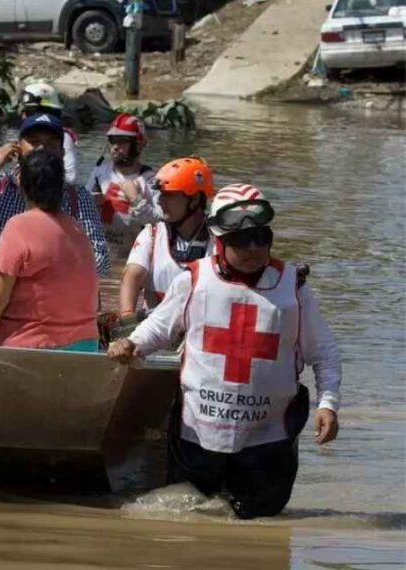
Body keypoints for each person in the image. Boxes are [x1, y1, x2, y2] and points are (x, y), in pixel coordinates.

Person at [107, 184, 341, 519]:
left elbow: (325, 353)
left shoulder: (294, 288)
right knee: (189, 522)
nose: (253, 248)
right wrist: (133, 343)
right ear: (219, 239)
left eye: (261, 237)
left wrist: (328, 404)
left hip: (267, 441)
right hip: (198, 436)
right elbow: (160, 326)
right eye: (241, 240)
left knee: (262, 529)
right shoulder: (194, 280)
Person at [0, 113, 110, 306]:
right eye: (34, 142)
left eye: (50, 144)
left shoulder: (77, 197)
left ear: (62, 153)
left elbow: (100, 261)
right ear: (18, 148)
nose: (41, 149)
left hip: (45, 308)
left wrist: (39, 277)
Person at [0, 150, 99, 351]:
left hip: (33, 349)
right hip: (87, 346)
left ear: (21, 185)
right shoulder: (78, 230)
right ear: (61, 187)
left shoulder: (19, 227)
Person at [119, 157, 216, 317]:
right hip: (153, 334)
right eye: (161, 194)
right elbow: (131, 277)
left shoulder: (218, 241)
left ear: (195, 200)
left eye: (168, 195)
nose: (159, 200)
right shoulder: (151, 235)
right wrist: (127, 319)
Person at [87, 113, 159, 257]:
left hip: (133, 259)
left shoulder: (151, 181)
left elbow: (160, 221)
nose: (114, 147)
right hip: (100, 257)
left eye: (121, 141)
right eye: (112, 140)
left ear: (138, 145)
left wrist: (136, 200)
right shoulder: (99, 174)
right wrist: (90, 205)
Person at [19, 82, 78, 184]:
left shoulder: (63, 137)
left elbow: (71, 177)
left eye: (28, 111)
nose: (23, 116)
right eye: (34, 141)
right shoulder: (25, 133)